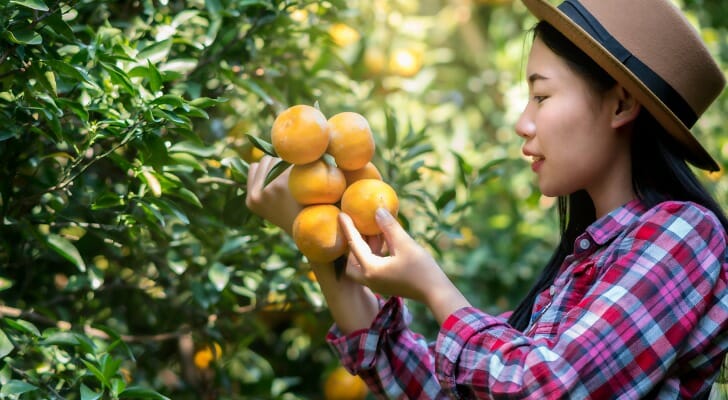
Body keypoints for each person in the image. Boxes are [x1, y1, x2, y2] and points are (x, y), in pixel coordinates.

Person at [246, 0, 728, 397]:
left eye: (541, 96)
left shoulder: (685, 235)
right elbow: (436, 390)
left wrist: (435, 286)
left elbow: (545, 389)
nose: (523, 121)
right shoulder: (582, 266)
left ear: (621, 103)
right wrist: (320, 240)